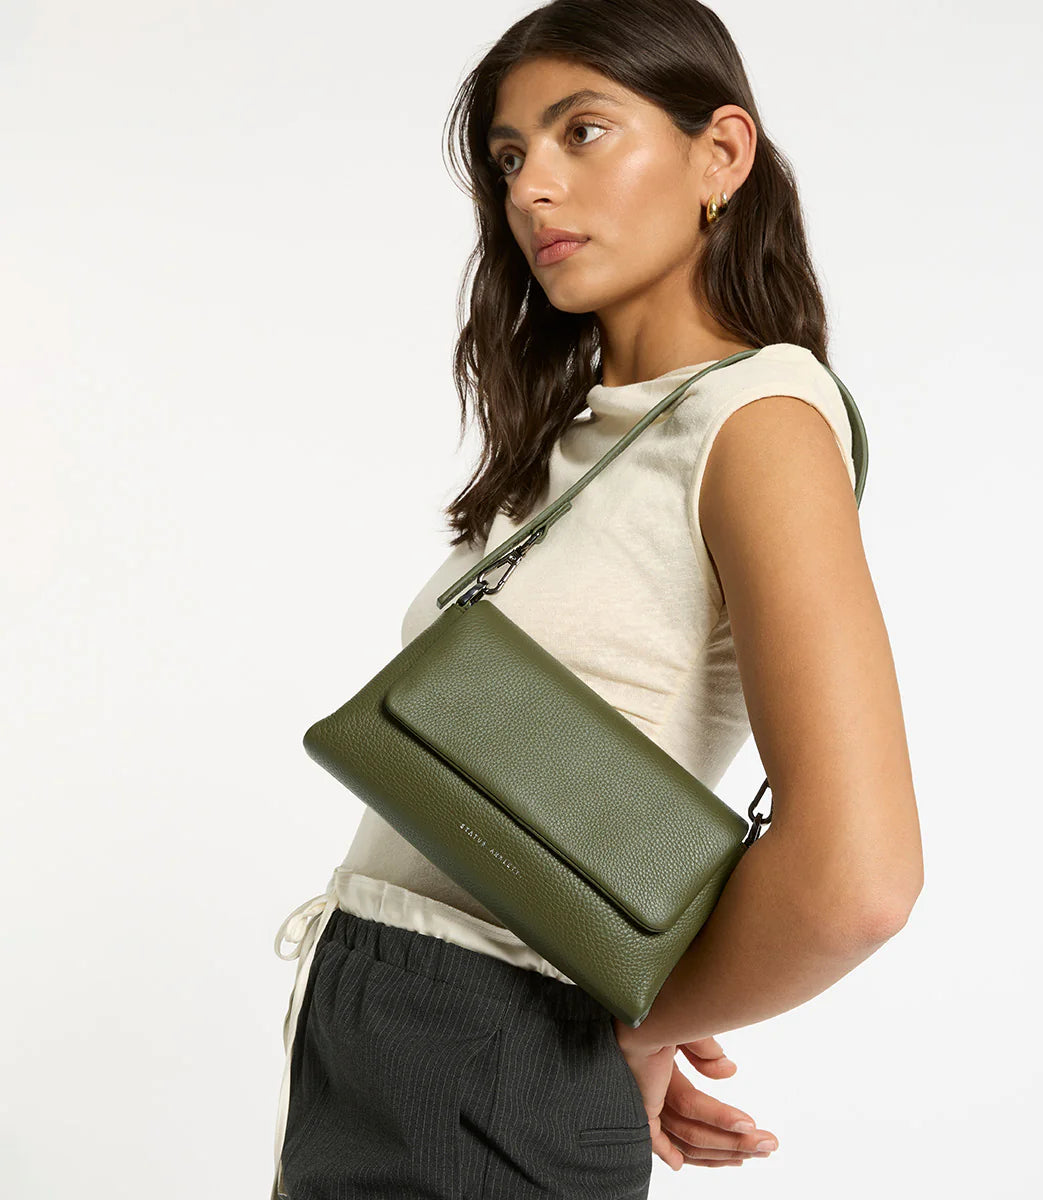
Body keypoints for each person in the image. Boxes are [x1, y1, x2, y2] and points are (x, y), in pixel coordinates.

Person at [270, 1, 923, 1195]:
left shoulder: (759, 420)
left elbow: (860, 881)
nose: (531, 188)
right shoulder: (591, 435)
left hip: (495, 1042)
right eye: (509, 155)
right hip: (377, 1021)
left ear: (720, 155)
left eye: (583, 132)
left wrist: (648, 1021)